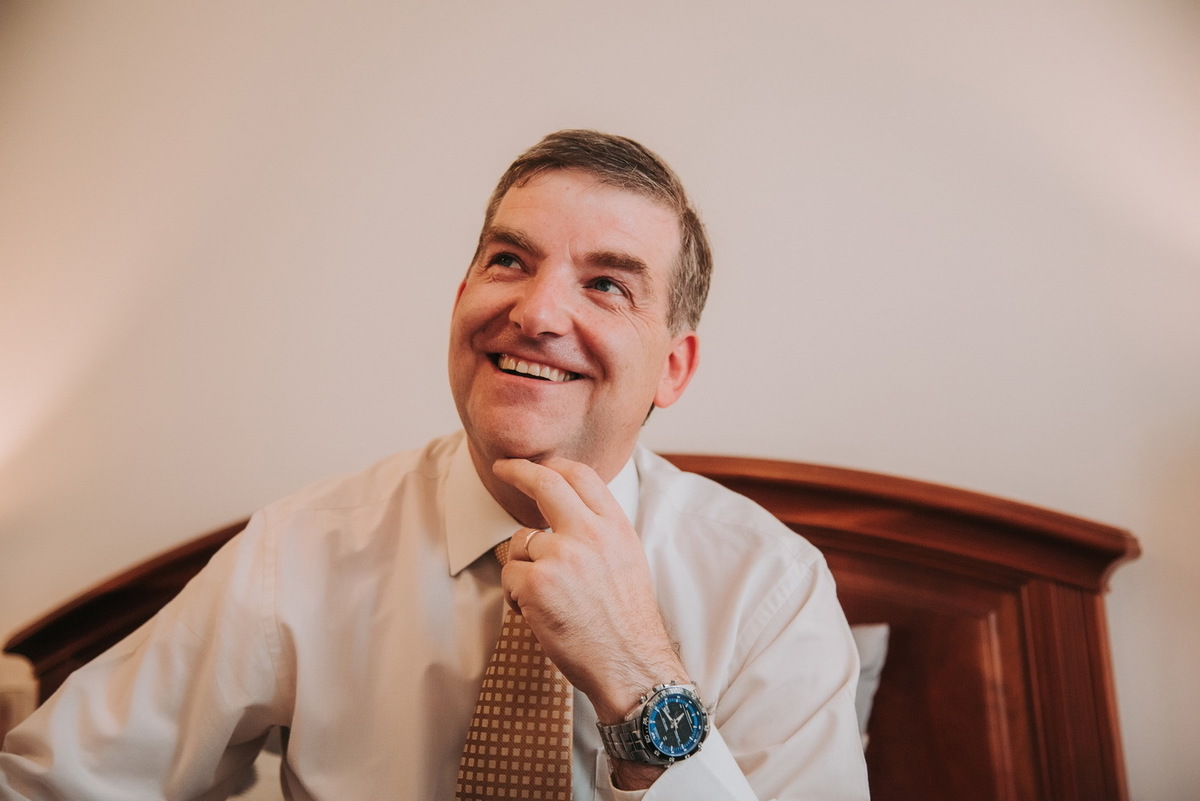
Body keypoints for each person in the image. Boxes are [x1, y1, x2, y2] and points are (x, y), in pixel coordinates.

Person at [1, 130, 869, 800]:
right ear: (462, 300)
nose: (535, 313)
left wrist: (639, 675)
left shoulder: (772, 591)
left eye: (607, 284)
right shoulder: (298, 552)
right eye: (509, 261)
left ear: (673, 368)